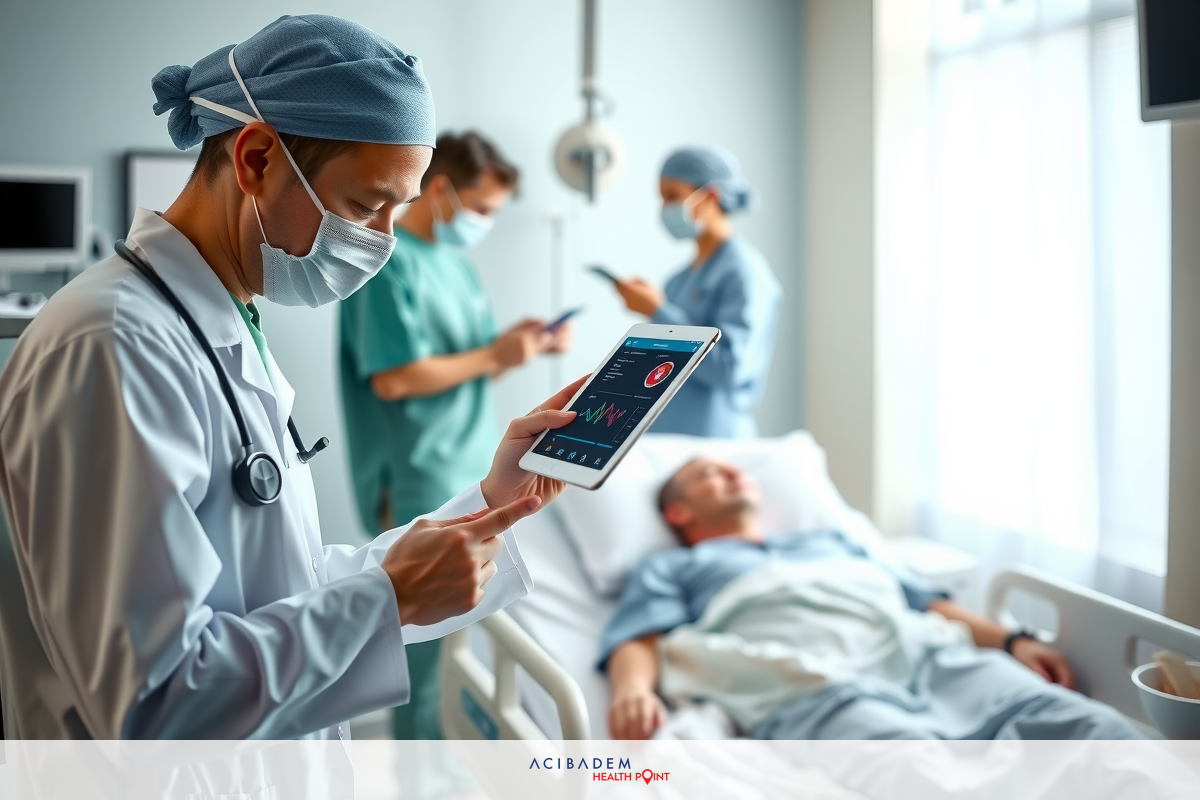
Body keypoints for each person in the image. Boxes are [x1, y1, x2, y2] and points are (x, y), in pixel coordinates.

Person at [0, 15, 582, 740]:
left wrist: (490, 504)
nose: (382, 241)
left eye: (397, 210)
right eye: (367, 206)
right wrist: (386, 601)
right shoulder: (111, 346)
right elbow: (153, 702)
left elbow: (278, 585)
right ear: (256, 160)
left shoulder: (217, 320)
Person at [601, 457, 1143, 741]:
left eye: (735, 469)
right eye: (710, 476)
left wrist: (1015, 641)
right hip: (819, 681)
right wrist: (632, 693)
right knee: (905, 761)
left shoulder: (832, 541)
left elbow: (924, 603)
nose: (732, 474)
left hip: (928, 657)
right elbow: (640, 637)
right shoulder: (674, 566)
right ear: (679, 514)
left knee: (1082, 724)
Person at [339, 131, 570, 740]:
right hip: (415, 469)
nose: (486, 223)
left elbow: (472, 358)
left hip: (470, 462)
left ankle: (443, 770)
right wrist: (495, 353)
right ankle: (417, 776)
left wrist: (521, 347)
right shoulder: (386, 265)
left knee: (457, 646)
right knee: (420, 649)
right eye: (483, 209)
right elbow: (394, 378)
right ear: (439, 190)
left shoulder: (456, 266)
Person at [608, 145, 782, 438]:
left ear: (711, 196)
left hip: (715, 443)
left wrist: (657, 311)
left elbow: (730, 370)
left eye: (673, 196)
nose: (665, 208)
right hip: (666, 440)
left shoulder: (745, 272)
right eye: (661, 198)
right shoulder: (677, 281)